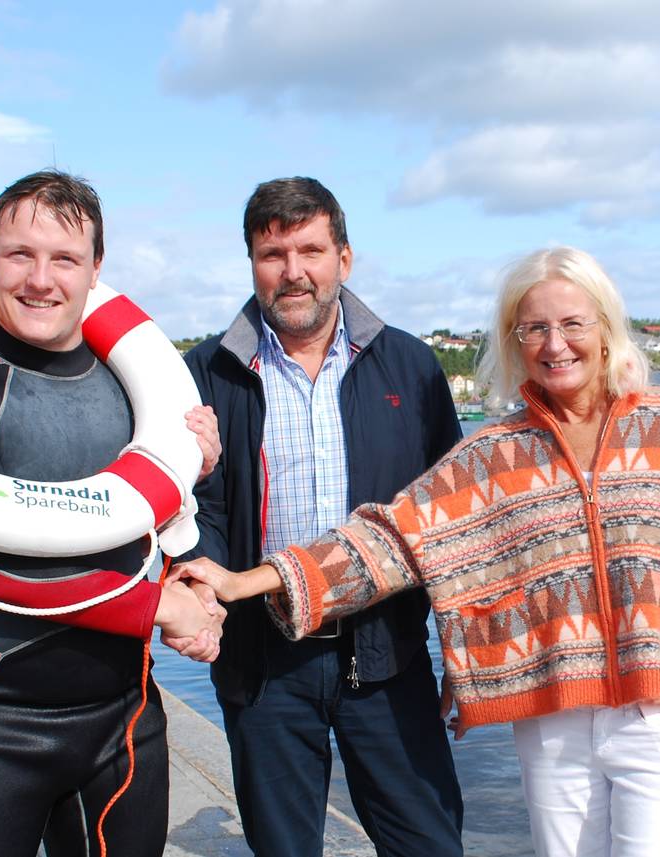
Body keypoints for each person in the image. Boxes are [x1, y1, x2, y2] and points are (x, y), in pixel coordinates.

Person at [178, 246, 660, 857]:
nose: (555, 344)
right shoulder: (494, 455)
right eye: (534, 328)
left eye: (572, 323)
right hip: (553, 716)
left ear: (606, 327)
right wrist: (248, 582)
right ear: (515, 342)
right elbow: (392, 539)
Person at [0, 170, 225, 857]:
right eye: (20, 254)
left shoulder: (140, 390)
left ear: (95, 269)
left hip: (124, 724)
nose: (41, 278)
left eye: (65, 258)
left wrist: (194, 494)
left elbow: (149, 529)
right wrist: (159, 609)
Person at [181, 177, 465, 857]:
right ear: (252, 262)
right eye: (272, 253)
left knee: (429, 843)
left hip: (386, 654)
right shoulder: (206, 373)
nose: (293, 271)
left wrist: (463, 642)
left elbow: (453, 518)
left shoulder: (412, 368)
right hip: (263, 663)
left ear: (344, 257)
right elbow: (202, 512)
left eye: (310, 249)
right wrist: (200, 594)